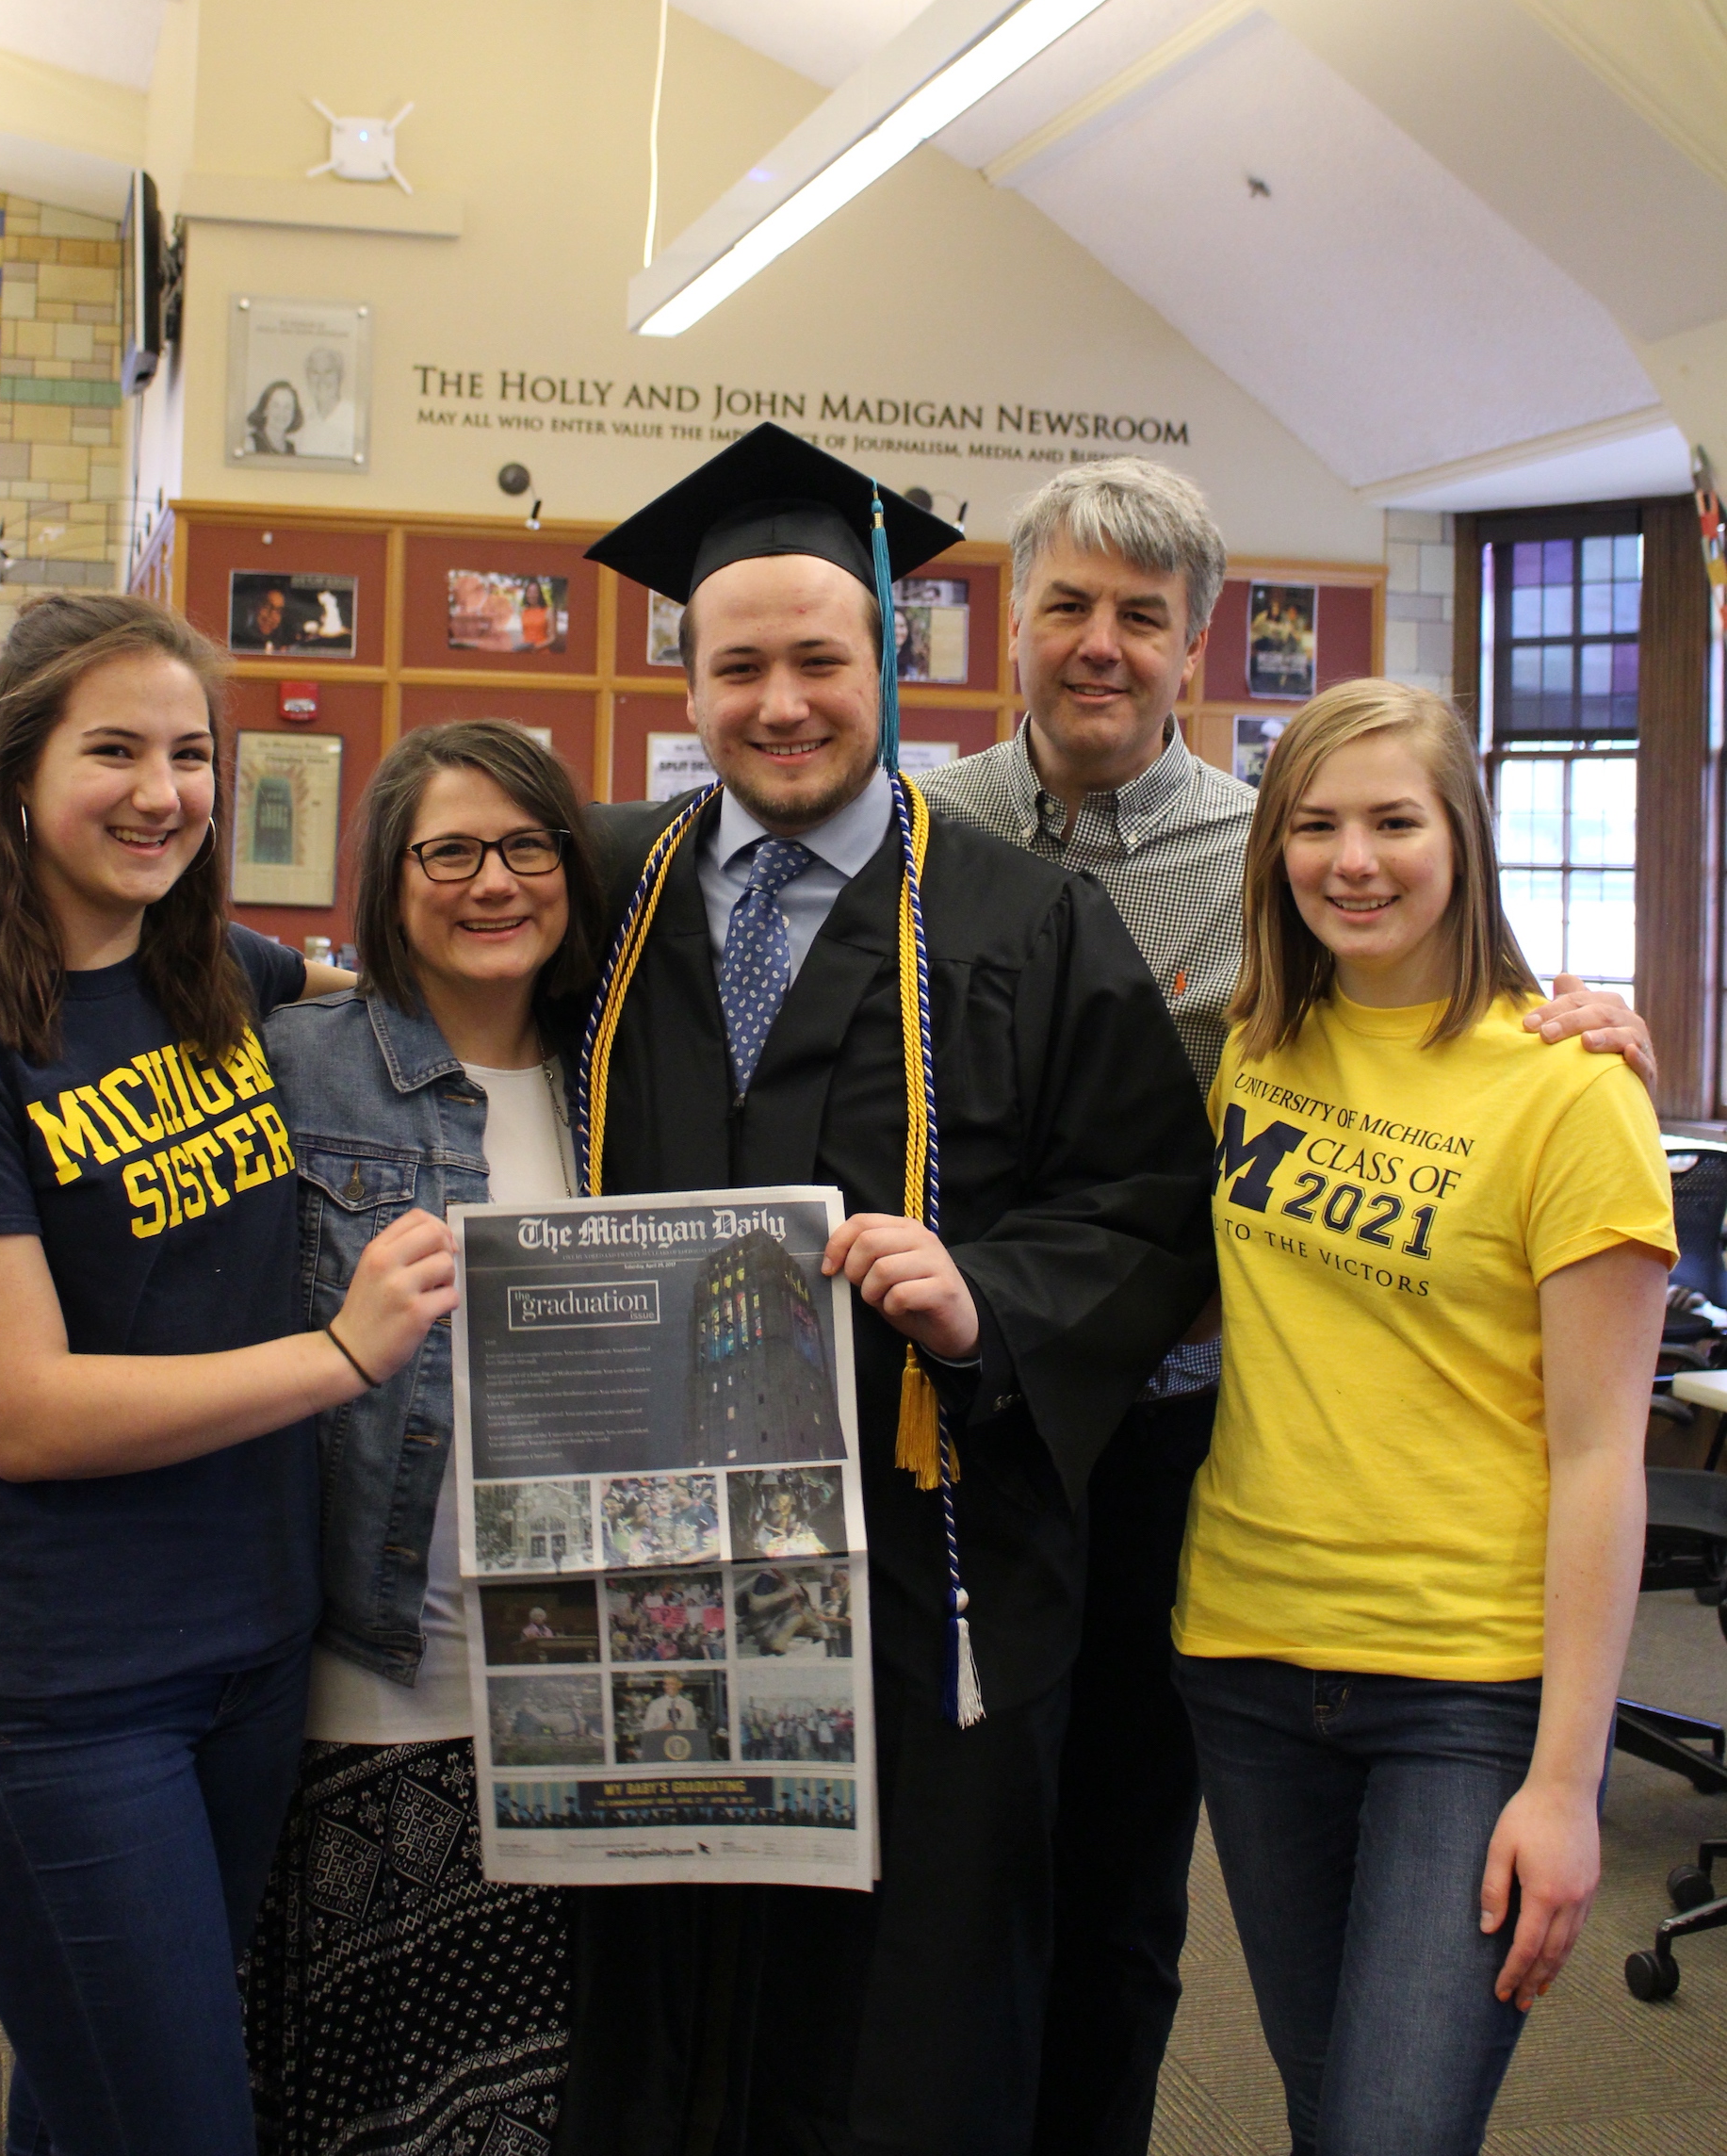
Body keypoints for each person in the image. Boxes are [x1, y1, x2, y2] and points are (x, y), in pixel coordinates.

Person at [917, 456, 1655, 2156]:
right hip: (1066, 1493)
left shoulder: (1290, 888)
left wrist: (1594, 1026)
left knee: (1140, 1917)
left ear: (1191, 650)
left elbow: (1454, 1023)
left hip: (1258, 1514)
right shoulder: (936, 840)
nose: (1098, 645)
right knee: (966, 1881)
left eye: (1142, 618)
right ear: (1007, 624)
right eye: (1066, 607)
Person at [554, 423, 1217, 2156]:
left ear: (888, 662)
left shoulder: (1022, 919)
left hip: (937, 1565)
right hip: (653, 1554)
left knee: (913, 2010)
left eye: (820, 660)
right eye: (740, 664)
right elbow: (369, 1058)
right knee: (663, 1971)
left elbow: (1149, 1205)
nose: (782, 701)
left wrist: (985, 1293)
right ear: (683, 676)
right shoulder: (599, 895)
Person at [0, 593, 456, 2156]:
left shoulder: (219, 976)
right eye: (111, 749)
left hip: (252, 1658)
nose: (162, 791)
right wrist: (338, 1355)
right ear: (15, 776)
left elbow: (412, 1008)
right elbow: (31, 1415)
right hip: (61, 1694)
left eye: (191, 752)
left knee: (98, 2094)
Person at [1171, 678, 1674, 2151]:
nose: (1354, 859)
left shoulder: (1572, 1091)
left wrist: (1572, 1786)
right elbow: (1215, 1305)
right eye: (1315, 825)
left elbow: (1600, 1459)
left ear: (1464, 838)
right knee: (1331, 2109)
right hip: (1247, 1653)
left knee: (1391, 2126)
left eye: (1396, 820)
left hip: (1465, 1688)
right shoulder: (1259, 1046)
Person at [242, 719, 603, 2153]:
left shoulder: (632, 1068)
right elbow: (128, 1275)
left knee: (546, 2098)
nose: (491, 882)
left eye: (525, 847)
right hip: (378, 1681)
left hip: (593, 1698)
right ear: (388, 881)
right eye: (446, 851)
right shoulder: (291, 1068)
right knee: (375, 2099)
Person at [248, 379, 303, 455]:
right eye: (276, 405)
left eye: (287, 407)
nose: (282, 412)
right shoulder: (250, 444)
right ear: (265, 409)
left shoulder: (291, 449)